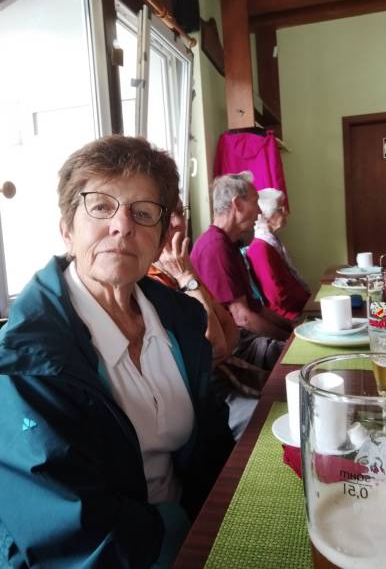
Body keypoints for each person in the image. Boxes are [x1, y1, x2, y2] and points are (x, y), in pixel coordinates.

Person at [0, 135, 234, 568]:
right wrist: (179, 528)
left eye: (142, 213)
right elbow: (68, 531)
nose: (122, 226)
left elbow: (212, 435)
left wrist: (229, 507)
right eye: (101, 206)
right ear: (67, 230)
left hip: (194, 524)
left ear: (159, 240)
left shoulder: (181, 319)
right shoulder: (25, 360)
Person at [149, 199, 260, 440]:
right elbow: (217, 345)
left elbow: (230, 332)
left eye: (180, 212)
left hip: (222, 374)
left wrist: (187, 276)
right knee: (262, 421)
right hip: (195, 397)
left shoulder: (181, 268)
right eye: (168, 213)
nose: (177, 222)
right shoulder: (154, 280)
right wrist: (186, 277)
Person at [190, 172, 292, 372]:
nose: (259, 211)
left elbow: (257, 308)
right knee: (301, 358)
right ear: (237, 204)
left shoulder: (228, 243)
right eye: (255, 202)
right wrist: (289, 340)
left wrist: (291, 327)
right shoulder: (215, 247)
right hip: (235, 344)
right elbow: (243, 318)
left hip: (245, 335)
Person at [245, 188, 310, 321]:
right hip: (289, 316)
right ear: (265, 216)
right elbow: (277, 298)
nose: (286, 212)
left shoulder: (271, 242)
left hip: (299, 307)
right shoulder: (260, 248)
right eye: (280, 209)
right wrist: (307, 305)